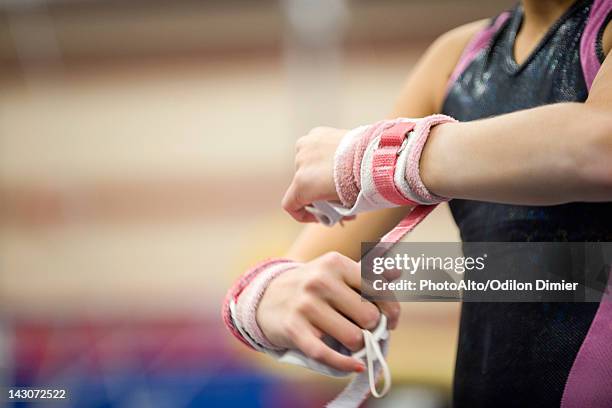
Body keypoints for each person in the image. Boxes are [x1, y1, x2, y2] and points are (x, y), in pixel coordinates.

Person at [225, 0, 612, 406]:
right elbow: (305, 264)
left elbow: (598, 147)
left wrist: (377, 155)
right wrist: (270, 298)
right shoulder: (457, 58)